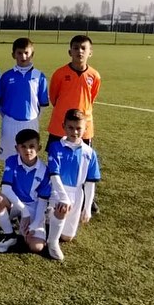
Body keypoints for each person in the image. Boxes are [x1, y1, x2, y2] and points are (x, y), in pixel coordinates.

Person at [47, 35, 101, 212]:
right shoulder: (60, 74)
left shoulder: (94, 75)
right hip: (59, 126)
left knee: (83, 164)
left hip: (83, 129)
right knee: (56, 162)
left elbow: (91, 98)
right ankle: (52, 194)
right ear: (69, 51)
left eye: (84, 48)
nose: (80, 51)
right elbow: (54, 97)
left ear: (90, 52)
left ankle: (86, 199)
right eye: (76, 48)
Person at [45, 109, 101, 261]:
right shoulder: (55, 147)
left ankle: (51, 223)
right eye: (70, 127)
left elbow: (90, 183)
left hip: (77, 194)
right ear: (63, 126)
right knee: (61, 210)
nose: (74, 132)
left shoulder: (89, 152)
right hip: (57, 192)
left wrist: (87, 208)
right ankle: (52, 241)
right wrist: (63, 197)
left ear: (85, 128)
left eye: (78, 128)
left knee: (67, 237)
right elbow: (54, 175)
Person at [0, 128, 51, 254]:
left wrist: (34, 225)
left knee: (36, 247)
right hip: (14, 203)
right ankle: (10, 235)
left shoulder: (45, 170)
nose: (28, 150)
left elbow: (42, 202)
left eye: (32, 146)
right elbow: (6, 189)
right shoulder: (11, 161)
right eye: (23, 146)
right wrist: (24, 212)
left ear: (39, 148)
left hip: (33, 206)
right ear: (17, 148)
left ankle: (24, 224)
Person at [0, 38, 49, 161]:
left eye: (26, 53)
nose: (23, 56)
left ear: (32, 54)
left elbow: (43, 104)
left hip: (30, 123)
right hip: (10, 123)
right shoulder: (6, 76)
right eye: (19, 53)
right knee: (9, 158)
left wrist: (34, 118)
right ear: (13, 55)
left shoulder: (39, 76)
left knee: (29, 157)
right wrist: (8, 117)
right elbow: (0, 102)